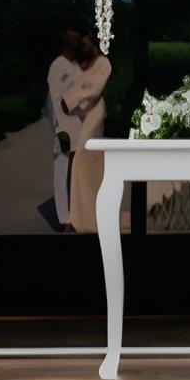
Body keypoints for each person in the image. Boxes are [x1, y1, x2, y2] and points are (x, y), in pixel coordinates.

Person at [44, 29, 112, 233]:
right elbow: (55, 100)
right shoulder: (57, 66)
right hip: (65, 124)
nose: (79, 45)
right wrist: (57, 127)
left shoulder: (83, 65)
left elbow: (88, 91)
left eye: (81, 42)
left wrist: (77, 105)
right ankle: (64, 218)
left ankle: (80, 212)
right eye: (75, 41)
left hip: (82, 123)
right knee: (62, 167)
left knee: (82, 168)